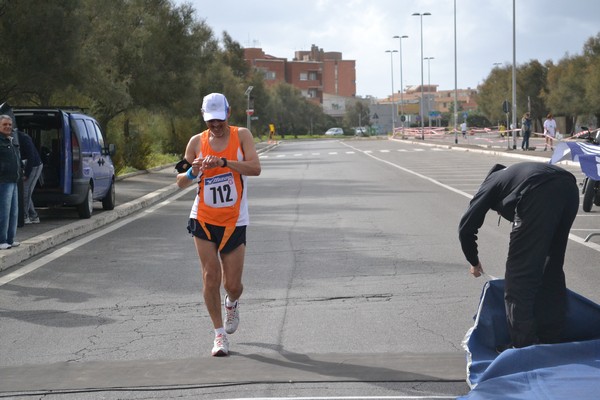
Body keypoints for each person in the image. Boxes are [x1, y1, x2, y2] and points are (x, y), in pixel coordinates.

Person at [458, 162, 579, 351]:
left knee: (519, 276)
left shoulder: (490, 184)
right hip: (569, 187)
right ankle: (552, 339)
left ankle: (524, 347)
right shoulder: (511, 177)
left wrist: (473, 261)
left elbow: (466, 227)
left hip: (537, 191)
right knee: (551, 268)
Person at [176, 93, 261, 356]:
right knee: (210, 275)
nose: (215, 125)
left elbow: (255, 168)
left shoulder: (241, 135)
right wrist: (194, 171)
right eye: (210, 121)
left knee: (233, 284)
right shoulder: (196, 142)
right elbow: (180, 180)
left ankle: (232, 303)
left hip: (235, 220)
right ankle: (219, 335)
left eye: (220, 120)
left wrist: (224, 162)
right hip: (203, 217)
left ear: (229, 113)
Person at [0, 115, 22, 250]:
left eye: (9, 124)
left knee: (14, 212)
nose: (8, 127)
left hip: (14, 180)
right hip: (3, 181)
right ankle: (1, 240)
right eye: (4, 124)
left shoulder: (11, 140)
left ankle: (10, 238)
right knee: (4, 212)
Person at [18, 131, 43, 224]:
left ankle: (24, 216)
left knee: (25, 190)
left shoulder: (24, 138)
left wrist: (27, 174)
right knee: (27, 192)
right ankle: (33, 215)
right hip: (25, 166)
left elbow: (31, 156)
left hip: (34, 166)